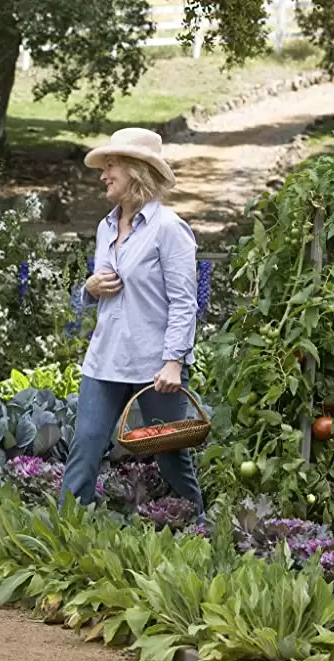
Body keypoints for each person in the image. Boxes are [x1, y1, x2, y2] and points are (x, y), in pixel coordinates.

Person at [58, 127, 204, 516]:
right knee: (85, 446)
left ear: (137, 170)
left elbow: (184, 302)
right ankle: (65, 537)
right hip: (105, 358)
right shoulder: (107, 227)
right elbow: (102, 290)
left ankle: (201, 537)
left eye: (111, 167)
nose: (103, 175)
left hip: (156, 365)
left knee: (171, 457)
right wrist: (89, 288)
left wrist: (174, 361)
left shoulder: (169, 229)